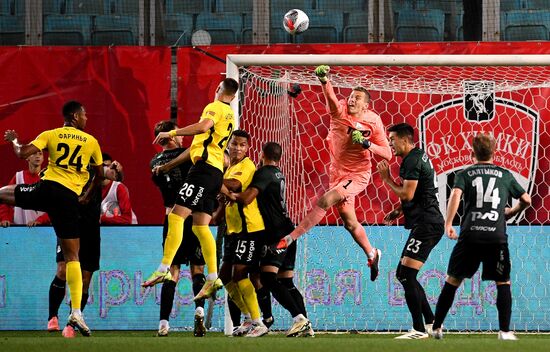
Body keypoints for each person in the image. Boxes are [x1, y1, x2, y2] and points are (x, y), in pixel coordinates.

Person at [276, 65, 391, 281]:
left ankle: (289, 239)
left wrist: (367, 145)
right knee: (349, 223)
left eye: (357, 98)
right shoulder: (339, 111)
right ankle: (372, 253)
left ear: (366, 105)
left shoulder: (373, 121)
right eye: (350, 96)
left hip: (358, 175)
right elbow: (330, 99)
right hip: (337, 173)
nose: (351, 100)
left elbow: (387, 154)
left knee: (324, 201)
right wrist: (324, 81)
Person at [0, 100, 104, 337]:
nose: (87, 118)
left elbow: (21, 153)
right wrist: (85, 195)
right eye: (85, 114)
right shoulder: (92, 142)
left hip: (46, 191)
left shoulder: (51, 134)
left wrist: (14, 140)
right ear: (75, 116)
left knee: (5, 193)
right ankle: (76, 311)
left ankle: (70, 314)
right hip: (68, 199)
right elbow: (99, 174)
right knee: (73, 257)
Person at [143, 78, 238, 304]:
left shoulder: (214, 107)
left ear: (218, 90)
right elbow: (196, 146)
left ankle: (164, 267)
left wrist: (172, 133)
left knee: (176, 216)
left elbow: (203, 127)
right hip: (213, 174)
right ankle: (213, 276)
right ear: (234, 96)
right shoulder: (230, 116)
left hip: (203, 171)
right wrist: (167, 166)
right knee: (200, 226)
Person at [431, 133, 531, 341]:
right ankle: (504, 332)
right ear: (494, 153)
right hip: (496, 237)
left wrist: (448, 224)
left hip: (470, 236)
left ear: (471, 154)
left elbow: (455, 195)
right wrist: (511, 212)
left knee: (453, 280)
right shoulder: (505, 175)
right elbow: (526, 199)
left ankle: (437, 327)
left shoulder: (466, 174)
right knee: (503, 282)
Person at [231, 142, 313, 337]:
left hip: (277, 234)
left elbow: (247, 198)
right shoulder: (278, 173)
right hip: (288, 231)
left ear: (262, 154)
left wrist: (228, 193)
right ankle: (305, 325)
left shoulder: (264, 172)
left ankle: (299, 319)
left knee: (267, 278)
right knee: (287, 282)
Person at [376, 123, 444, 339]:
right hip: (428, 222)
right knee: (406, 274)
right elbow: (418, 194)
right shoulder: (420, 156)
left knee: (405, 275)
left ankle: (419, 329)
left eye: (393, 139)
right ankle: (432, 324)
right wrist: (399, 211)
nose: (390, 143)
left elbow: (406, 194)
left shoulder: (411, 160)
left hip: (427, 224)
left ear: (405, 140)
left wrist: (386, 179)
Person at [49, 157, 124, 338]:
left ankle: (71, 323)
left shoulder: (95, 170)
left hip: (91, 230)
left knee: (85, 278)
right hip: (68, 227)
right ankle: (52, 317)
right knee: (63, 270)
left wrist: (118, 170)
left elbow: (115, 176)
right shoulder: (64, 171)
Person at [150, 120, 207, 337]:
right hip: (192, 217)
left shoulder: (154, 161)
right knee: (197, 269)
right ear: (171, 136)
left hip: (170, 218)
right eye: (178, 133)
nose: (182, 136)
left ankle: (163, 323)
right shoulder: (188, 154)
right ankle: (199, 310)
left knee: (171, 271)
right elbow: (199, 150)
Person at [218, 130, 268, 338]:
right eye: (235, 144)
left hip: (249, 229)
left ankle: (259, 322)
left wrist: (211, 180)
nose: (238, 148)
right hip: (233, 230)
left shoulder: (247, 166)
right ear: (229, 145)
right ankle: (248, 318)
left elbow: (235, 186)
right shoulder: (230, 168)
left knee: (239, 274)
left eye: (242, 145)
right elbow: (228, 193)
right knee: (224, 277)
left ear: (247, 148)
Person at [0, 150, 50, 227]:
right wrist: (5, 218)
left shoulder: (48, 178)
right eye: (34, 153)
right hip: (21, 229)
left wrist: (40, 220)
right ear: (27, 157)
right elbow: (4, 199)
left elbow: (55, 206)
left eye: (40, 154)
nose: (37, 156)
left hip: (43, 228)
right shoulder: (18, 176)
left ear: (43, 158)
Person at [100, 153, 137, 224]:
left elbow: (127, 219)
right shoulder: (91, 188)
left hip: (128, 229)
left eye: (110, 166)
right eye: (105, 166)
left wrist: (102, 219)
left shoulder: (119, 188)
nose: (109, 169)